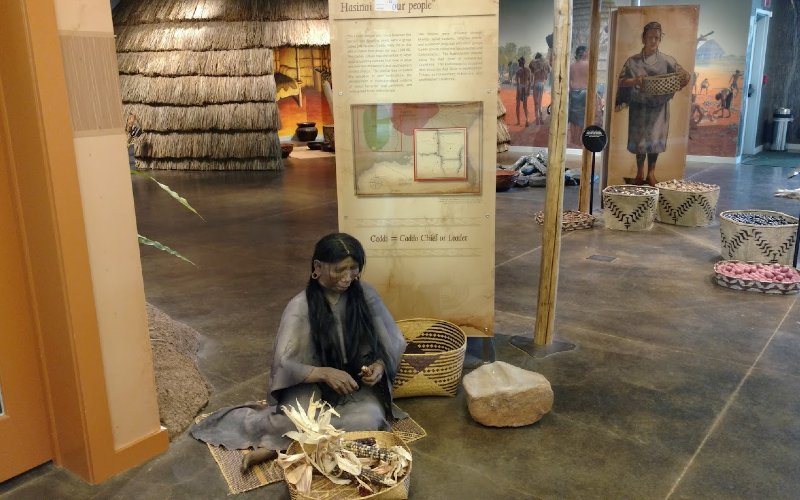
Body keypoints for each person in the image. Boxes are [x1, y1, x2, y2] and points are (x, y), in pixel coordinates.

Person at [190, 233, 408, 471]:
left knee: (369, 418)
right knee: (295, 420)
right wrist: (323, 373)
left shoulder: (366, 294)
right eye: (339, 270)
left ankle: (285, 447)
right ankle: (280, 444)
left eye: (354, 268)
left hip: (355, 385)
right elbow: (284, 363)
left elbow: (392, 339)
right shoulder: (299, 307)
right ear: (318, 267)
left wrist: (379, 365)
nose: (348, 278)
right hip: (308, 385)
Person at [615, 21, 690, 186]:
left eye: (656, 37)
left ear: (660, 39)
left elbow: (682, 73)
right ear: (643, 38)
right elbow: (621, 81)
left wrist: (684, 76)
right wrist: (635, 80)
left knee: (655, 141)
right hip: (639, 106)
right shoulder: (632, 61)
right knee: (639, 141)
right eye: (650, 37)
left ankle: (651, 174)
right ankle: (639, 174)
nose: (653, 41)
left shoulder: (667, 60)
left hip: (659, 107)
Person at [568, 46, 589, 145]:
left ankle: (573, 140)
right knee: (580, 118)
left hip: (574, 92)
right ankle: (577, 141)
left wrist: (571, 91)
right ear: (583, 53)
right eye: (587, 52)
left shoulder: (572, 66)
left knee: (573, 118)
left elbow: (569, 82)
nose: (588, 53)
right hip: (584, 92)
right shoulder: (588, 64)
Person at [529, 53, 551, 125]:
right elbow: (547, 76)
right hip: (542, 83)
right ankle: (541, 119)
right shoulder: (544, 64)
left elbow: (531, 68)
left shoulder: (534, 63)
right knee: (540, 102)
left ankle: (537, 120)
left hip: (536, 83)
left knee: (536, 103)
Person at [514, 56, 532, 126]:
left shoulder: (518, 71)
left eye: (519, 62)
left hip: (520, 88)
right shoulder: (528, 70)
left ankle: (518, 122)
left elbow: (517, 82)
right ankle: (527, 120)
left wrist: (519, 91)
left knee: (518, 106)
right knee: (525, 106)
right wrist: (528, 90)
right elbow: (530, 82)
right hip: (525, 88)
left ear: (520, 63)